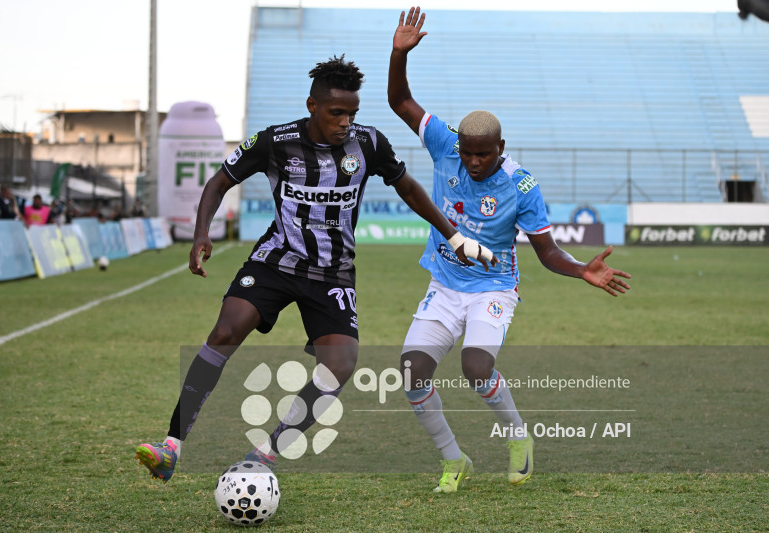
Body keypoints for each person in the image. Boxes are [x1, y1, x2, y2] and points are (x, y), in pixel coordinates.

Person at [136, 54, 495, 483]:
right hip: (276, 262)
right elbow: (219, 182)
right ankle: (171, 446)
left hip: (333, 273)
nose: (346, 122)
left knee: (340, 364)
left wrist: (454, 236)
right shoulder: (275, 141)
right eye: (336, 112)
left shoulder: (369, 143)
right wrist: (201, 233)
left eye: (352, 113)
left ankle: (265, 454)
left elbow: (409, 188)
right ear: (313, 106)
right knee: (225, 332)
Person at [388, 7, 632, 493]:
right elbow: (400, 101)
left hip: (493, 287)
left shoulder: (522, 186)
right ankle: (454, 460)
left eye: (484, 153)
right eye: (467, 152)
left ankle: (518, 436)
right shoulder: (443, 143)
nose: (473, 161)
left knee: (476, 368)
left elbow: (547, 252)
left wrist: (581, 269)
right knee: (412, 373)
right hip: (444, 283)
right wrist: (399, 55)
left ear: (502, 146)